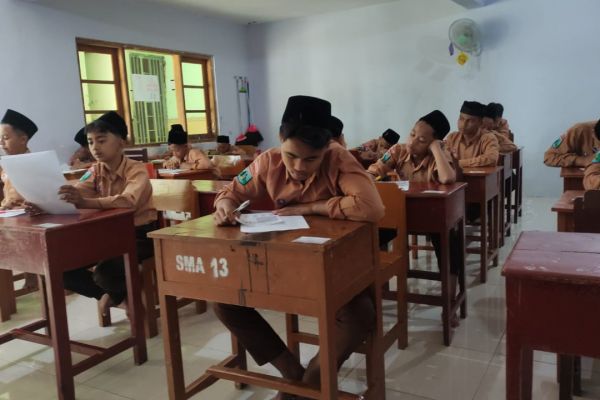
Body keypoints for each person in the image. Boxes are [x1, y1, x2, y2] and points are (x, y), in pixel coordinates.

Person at [213, 95, 384, 400]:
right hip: (284, 261)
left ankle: (310, 382)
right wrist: (225, 205)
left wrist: (312, 207)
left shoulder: (339, 158)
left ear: (327, 147)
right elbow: (231, 191)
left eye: (311, 159)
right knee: (223, 297)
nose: (298, 167)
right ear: (281, 139)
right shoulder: (268, 160)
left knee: (361, 315)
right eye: (291, 156)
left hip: (334, 263)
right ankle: (294, 375)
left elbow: (372, 207)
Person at [49, 111, 157, 316]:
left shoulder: (137, 170)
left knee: (105, 273)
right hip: (106, 235)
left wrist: (86, 202)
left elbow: (128, 202)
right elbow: (78, 191)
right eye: (90, 142)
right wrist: (52, 199)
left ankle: (119, 297)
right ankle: (115, 297)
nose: (95, 147)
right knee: (60, 267)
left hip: (139, 235)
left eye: (101, 140)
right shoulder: (95, 170)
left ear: (121, 143)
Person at [367, 110, 462, 326]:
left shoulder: (440, 154)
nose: (412, 142)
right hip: (401, 213)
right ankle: (374, 293)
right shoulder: (398, 150)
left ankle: (449, 302)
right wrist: (371, 179)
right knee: (370, 236)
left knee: (450, 243)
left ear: (434, 142)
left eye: (421, 140)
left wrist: (436, 148)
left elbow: (447, 177)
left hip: (433, 215)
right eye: (412, 134)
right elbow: (372, 172)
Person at [0, 109, 38, 210]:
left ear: (23, 140)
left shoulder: (35, 165)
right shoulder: (5, 164)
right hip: (7, 213)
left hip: (26, 213)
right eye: (0, 138)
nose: (1, 142)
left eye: (5, 138)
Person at [444, 101, 500, 168]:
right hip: (454, 174)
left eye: (470, 121)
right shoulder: (452, 137)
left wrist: (459, 163)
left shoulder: (488, 138)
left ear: (480, 123)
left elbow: (492, 159)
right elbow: (444, 159)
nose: (463, 124)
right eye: (461, 118)